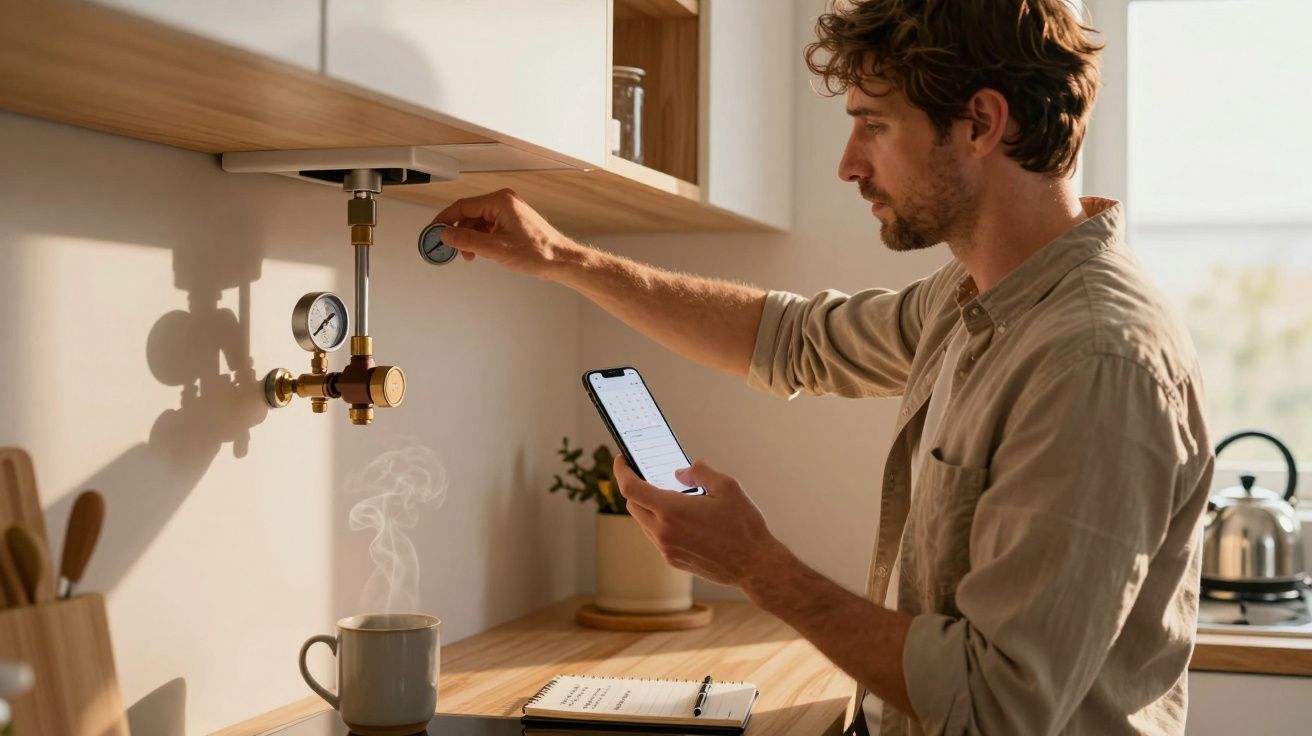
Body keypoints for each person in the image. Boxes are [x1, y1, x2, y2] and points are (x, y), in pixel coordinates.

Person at [429, 1, 1213, 733]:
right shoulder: (976, 297)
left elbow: (993, 705)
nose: (847, 163)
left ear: (980, 122)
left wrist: (758, 566)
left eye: (872, 125)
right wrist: (563, 259)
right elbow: (793, 339)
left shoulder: (1094, 361)